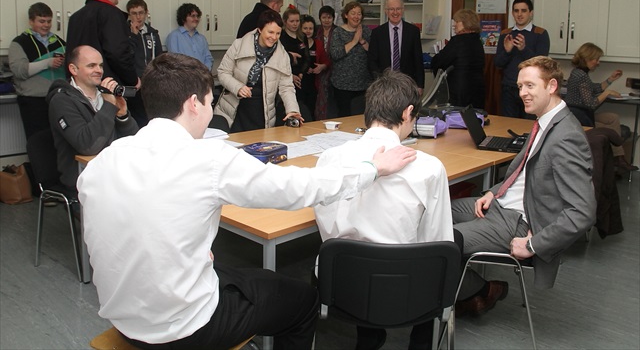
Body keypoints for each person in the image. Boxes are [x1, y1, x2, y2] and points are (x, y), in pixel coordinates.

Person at [77, 51, 417, 349]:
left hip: (125, 320)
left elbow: (124, 229)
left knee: (236, 273)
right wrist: (372, 169)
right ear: (193, 104)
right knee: (303, 301)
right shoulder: (207, 159)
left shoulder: (104, 160)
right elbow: (299, 187)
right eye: (210, 102)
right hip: (184, 328)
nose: (210, 112)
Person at [314, 69, 453, 350]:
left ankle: (369, 335)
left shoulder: (330, 158)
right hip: (406, 286)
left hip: (344, 286)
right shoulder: (429, 167)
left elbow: (328, 231)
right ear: (408, 112)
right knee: (444, 249)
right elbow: (437, 238)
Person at [452, 56, 596, 317]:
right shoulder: (545, 121)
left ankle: (481, 290)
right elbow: (524, 174)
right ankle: (470, 292)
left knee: (439, 242)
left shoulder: (567, 136)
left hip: (517, 221)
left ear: (551, 86)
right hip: (500, 205)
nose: (522, 93)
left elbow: (582, 212)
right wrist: (493, 192)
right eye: (520, 87)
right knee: (434, 210)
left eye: (530, 86)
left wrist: (533, 245)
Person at [47, 45, 138, 199]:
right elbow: (87, 146)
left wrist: (123, 116)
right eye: (91, 66)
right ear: (73, 69)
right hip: (83, 178)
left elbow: (134, 141)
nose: (99, 70)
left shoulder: (106, 96)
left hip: (114, 172)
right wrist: (108, 107)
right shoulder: (61, 101)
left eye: (100, 65)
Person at [214, 10, 302, 132]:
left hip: (263, 114)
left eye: (278, 33)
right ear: (260, 29)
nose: (274, 37)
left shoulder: (282, 56)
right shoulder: (239, 45)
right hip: (235, 110)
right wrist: (238, 87)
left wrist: (292, 110)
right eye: (270, 32)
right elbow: (223, 72)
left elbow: (286, 87)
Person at [565, 42, 637, 172]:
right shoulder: (580, 75)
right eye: (596, 59)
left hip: (581, 114)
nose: (598, 62)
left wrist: (611, 79)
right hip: (579, 118)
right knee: (611, 126)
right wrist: (607, 93)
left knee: (612, 118)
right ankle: (615, 160)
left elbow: (594, 88)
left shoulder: (580, 73)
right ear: (587, 58)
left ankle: (618, 158)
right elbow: (591, 104)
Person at [66, 0, 139, 88]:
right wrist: (133, 80)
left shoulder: (75, 17)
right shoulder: (112, 14)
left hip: (78, 87)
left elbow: (70, 55)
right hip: (107, 87)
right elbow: (118, 54)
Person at [9, 2, 66, 139]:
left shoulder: (59, 42)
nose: (46, 25)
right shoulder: (19, 43)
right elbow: (19, 71)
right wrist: (47, 63)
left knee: (60, 140)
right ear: (31, 21)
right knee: (37, 141)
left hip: (58, 98)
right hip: (33, 101)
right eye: (41, 21)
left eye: (49, 21)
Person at [494, 0, 550, 118]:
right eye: (516, 11)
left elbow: (542, 64)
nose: (519, 14)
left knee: (529, 125)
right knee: (508, 124)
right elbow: (498, 63)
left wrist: (523, 49)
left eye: (523, 11)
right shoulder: (505, 33)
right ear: (512, 13)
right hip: (509, 88)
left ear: (531, 13)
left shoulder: (540, 33)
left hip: (531, 89)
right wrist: (507, 51)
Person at [368, 0, 425, 93]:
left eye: (398, 9)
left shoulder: (413, 31)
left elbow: (418, 60)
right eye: (391, 9)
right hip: (384, 85)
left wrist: (420, 85)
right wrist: (379, 81)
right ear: (386, 11)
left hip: (407, 85)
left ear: (403, 10)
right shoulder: (377, 33)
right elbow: (372, 61)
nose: (395, 12)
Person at [430, 9, 485, 109]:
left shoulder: (458, 41)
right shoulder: (478, 42)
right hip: (477, 90)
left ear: (466, 22)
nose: (454, 24)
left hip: (459, 91)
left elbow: (438, 61)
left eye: (457, 21)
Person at [330, 1, 372, 117]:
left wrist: (362, 41)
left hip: (363, 84)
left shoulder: (366, 31)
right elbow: (335, 54)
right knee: (345, 116)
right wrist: (354, 41)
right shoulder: (338, 32)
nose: (356, 16)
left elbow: (373, 53)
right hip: (342, 85)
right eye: (353, 13)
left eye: (359, 14)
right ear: (346, 15)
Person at [126, 0, 163, 127]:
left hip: (152, 83)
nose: (138, 17)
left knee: (152, 118)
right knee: (137, 119)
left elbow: (159, 57)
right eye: (134, 13)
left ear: (146, 13)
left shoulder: (152, 33)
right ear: (129, 15)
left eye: (141, 13)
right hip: (134, 84)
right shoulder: (124, 33)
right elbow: (126, 57)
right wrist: (134, 36)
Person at [279, 7, 312, 121]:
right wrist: (291, 76)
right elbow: (279, 60)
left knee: (305, 107)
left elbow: (307, 57)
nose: (295, 24)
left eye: (297, 21)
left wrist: (302, 73)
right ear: (285, 21)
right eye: (292, 21)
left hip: (302, 77)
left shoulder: (302, 36)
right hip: (287, 76)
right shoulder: (281, 36)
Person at [166, 3, 213, 70]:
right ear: (183, 18)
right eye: (193, 16)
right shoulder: (174, 37)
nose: (196, 19)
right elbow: (174, 61)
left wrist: (205, 71)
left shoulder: (202, 38)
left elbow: (208, 59)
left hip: (202, 75)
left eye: (197, 16)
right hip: (183, 75)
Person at [313, 5, 336, 120]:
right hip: (318, 67)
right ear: (320, 18)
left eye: (329, 17)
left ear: (333, 18)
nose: (327, 20)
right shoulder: (315, 31)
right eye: (324, 17)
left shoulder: (337, 31)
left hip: (334, 68)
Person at [300, 14, 319, 121]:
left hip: (313, 82)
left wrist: (321, 67)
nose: (308, 31)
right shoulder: (299, 42)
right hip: (300, 81)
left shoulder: (318, 43)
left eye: (310, 28)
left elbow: (326, 61)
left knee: (311, 110)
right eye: (305, 28)